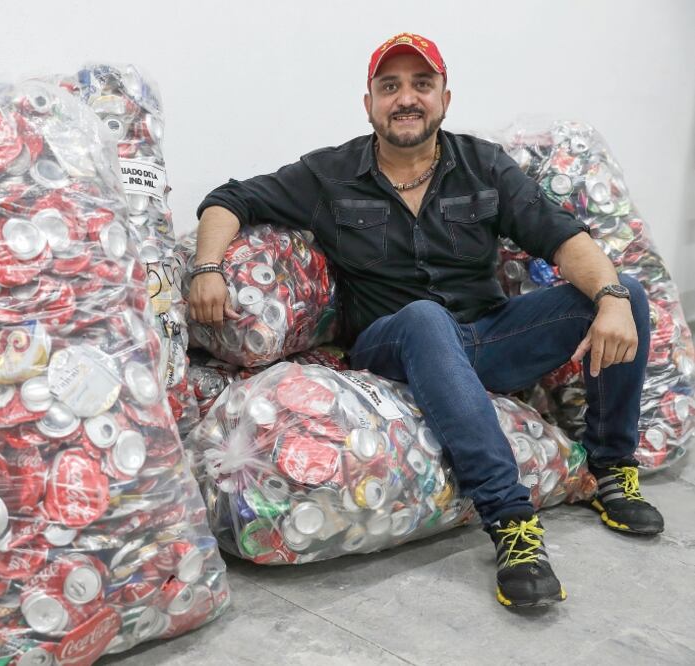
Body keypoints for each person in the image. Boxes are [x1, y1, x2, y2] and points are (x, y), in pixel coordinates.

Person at [188, 32, 664, 608]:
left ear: (444, 98)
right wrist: (207, 267)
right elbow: (228, 197)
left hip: (487, 338)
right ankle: (511, 522)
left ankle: (612, 469)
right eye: (390, 87)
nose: (406, 98)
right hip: (392, 344)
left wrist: (610, 297)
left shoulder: (483, 165)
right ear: (369, 104)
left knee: (625, 293)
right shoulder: (328, 175)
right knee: (424, 317)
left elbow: (561, 237)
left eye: (422, 84)